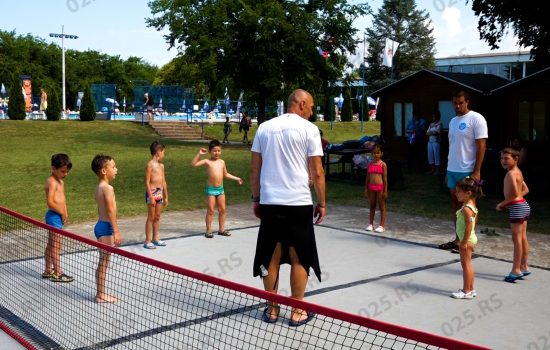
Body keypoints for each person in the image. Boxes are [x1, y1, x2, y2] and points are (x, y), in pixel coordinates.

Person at [250, 89, 326, 327]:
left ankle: (272, 310)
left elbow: (255, 169)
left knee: (269, 256)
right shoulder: (309, 130)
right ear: (301, 104)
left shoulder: (264, 127)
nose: (312, 111)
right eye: (311, 107)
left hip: (271, 202)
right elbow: (317, 172)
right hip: (298, 203)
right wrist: (322, 202)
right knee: (299, 257)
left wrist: (256, 198)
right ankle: (297, 311)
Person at [439, 91, 488, 253]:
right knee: (455, 205)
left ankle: (468, 243)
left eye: (460, 103)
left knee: (469, 207)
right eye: (455, 103)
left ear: (467, 102)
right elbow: (453, 147)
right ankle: (458, 239)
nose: (457, 106)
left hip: (468, 170)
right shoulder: (453, 121)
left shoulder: (476, 119)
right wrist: (447, 170)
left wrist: (477, 171)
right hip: (452, 169)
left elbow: (481, 146)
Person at [191, 140, 244, 238]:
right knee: (211, 210)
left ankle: (221, 229)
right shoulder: (207, 161)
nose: (217, 153)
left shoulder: (222, 162)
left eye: (219, 151)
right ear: (210, 151)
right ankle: (208, 230)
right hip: (211, 190)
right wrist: (199, 154)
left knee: (222, 210)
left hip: (220, 189)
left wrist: (237, 178)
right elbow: (194, 164)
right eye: (214, 151)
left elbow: (226, 174)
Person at [496, 147, 531, 283]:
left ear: (516, 159)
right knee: (522, 238)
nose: (503, 161)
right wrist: (514, 200)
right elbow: (525, 190)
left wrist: (502, 204)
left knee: (517, 241)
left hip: (517, 208)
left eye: (506, 158)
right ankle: (524, 266)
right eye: (501, 158)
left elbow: (515, 195)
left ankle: (516, 270)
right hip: (523, 205)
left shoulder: (511, 174)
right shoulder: (517, 172)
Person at [91, 154, 122, 303]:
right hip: (106, 228)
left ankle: (100, 293)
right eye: (113, 167)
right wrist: (116, 231)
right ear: (104, 171)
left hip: (101, 226)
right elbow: (110, 211)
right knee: (104, 262)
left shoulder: (98, 187)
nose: (116, 169)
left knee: (103, 262)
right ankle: (101, 294)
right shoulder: (108, 188)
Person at [43, 153, 74, 283]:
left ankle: (47, 270)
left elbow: (62, 199)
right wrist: (61, 213)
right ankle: (58, 272)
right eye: (62, 171)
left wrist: (65, 212)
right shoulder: (51, 182)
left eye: (67, 172)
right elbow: (50, 202)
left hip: (58, 216)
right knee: (56, 245)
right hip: (53, 217)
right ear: (53, 168)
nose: (65, 174)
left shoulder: (60, 181)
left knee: (52, 244)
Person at [450, 177, 483, 299]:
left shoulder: (466, 209)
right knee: (468, 264)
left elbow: (469, 226)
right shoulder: (470, 204)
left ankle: (466, 291)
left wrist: (463, 242)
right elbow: (474, 222)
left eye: (459, 192)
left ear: (468, 193)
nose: (456, 193)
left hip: (467, 240)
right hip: (469, 239)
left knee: (466, 265)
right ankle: (471, 288)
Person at [144, 141, 169, 249]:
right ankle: (147, 240)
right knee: (151, 217)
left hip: (160, 192)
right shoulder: (150, 165)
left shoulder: (161, 166)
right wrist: (150, 197)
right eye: (163, 152)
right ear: (158, 152)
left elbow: (163, 181)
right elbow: (147, 182)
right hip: (152, 192)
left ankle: (155, 238)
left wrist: (166, 196)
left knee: (157, 216)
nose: (164, 154)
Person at [364, 144, 388, 233]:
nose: (376, 155)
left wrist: (385, 191)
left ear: (381, 153)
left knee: (382, 206)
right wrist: (366, 188)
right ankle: (370, 224)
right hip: (371, 187)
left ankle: (382, 225)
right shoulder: (370, 164)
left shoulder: (383, 165)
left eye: (378, 153)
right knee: (372, 205)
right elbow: (367, 177)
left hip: (380, 188)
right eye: (374, 153)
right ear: (372, 154)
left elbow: (385, 178)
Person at [426, 110, 442, 175]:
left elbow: (437, 132)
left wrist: (431, 133)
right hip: (430, 141)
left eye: (434, 117)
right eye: (432, 117)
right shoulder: (431, 124)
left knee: (436, 155)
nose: (433, 118)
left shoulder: (439, 123)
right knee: (430, 155)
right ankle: (432, 169)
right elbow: (427, 133)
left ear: (437, 117)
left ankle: (437, 170)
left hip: (436, 142)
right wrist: (432, 133)